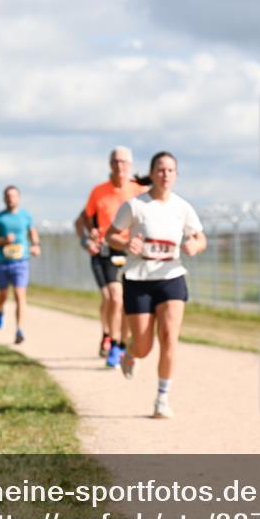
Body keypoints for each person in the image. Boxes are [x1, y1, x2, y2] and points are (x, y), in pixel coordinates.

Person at [106, 151, 206, 419]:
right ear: (151, 173)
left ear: (176, 175)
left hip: (171, 277)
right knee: (144, 346)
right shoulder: (135, 206)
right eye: (160, 170)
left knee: (169, 337)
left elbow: (200, 238)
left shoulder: (182, 207)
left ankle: (162, 398)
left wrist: (194, 245)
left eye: (170, 170)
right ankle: (130, 352)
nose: (165, 174)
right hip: (138, 279)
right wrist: (126, 243)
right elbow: (110, 235)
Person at [75, 147, 149, 366]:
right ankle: (112, 340)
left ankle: (121, 343)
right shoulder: (99, 191)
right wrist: (87, 239)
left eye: (124, 162)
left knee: (126, 301)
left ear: (130, 165)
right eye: (116, 161)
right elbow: (82, 219)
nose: (119, 166)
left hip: (131, 251)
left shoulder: (139, 190)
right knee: (113, 297)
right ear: (110, 164)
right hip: (106, 250)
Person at [0, 185, 40, 344]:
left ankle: (19, 329)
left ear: (18, 197)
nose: (11, 199)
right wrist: (3, 240)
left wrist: (35, 245)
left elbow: (32, 232)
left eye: (13, 196)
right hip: (2, 262)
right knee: (3, 294)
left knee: (19, 295)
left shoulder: (26, 216)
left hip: (21, 261)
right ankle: (0, 309)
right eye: (8, 196)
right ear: (4, 198)